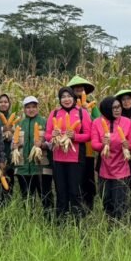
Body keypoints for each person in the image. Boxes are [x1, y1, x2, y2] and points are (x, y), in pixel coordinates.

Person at [45, 87, 92, 219]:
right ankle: (61, 220)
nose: (66, 99)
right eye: (63, 97)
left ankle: (77, 221)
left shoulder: (82, 113)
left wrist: (75, 137)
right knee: (61, 191)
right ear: (60, 99)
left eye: (69, 96)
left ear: (74, 98)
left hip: (76, 159)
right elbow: (47, 135)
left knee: (75, 191)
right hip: (58, 158)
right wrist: (52, 135)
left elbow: (88, 135)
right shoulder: (54, 113)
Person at [91, 97, 131, 219]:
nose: (118, 110)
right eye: (114, 108)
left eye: (119, 107)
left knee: (120, 201)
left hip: (122, 166)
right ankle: (109, 224)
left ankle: (120, 226)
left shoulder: (127, 122)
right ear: (106, 109)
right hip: (104, 167)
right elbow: (94, 145)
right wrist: (103, 144)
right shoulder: (97, 122)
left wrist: (129, 145)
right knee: (106, 199)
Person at [67, 75, 100, 213]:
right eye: (76, 88)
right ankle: (75, 206)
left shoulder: (93, 106)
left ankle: (89, 207)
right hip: (71, 151)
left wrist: (88, 113)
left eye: (82, 88)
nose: (79, 90)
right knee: (75, 180)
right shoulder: (68, 106)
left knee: (88, 179)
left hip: (87, 150)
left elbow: (99, 123)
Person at [14, 96, 52, 212]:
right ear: (24, 109)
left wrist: (43, 145)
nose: (31, 110)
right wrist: (14, 146)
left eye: (34, 107)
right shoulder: (19, 124)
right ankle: (28, 219)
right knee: (27, 197)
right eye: (28, 107)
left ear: (38, 108)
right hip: (23, 167)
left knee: (45, 196)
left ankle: (48, 218)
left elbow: (51, 143)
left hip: (41, 167)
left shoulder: (45, 122)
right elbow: (13, 143)